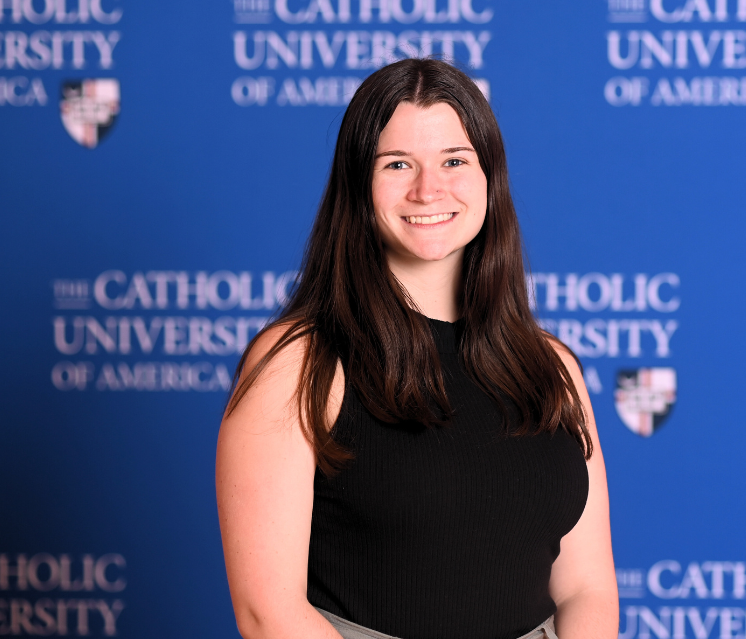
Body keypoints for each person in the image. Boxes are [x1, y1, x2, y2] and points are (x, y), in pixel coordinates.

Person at [216, 58, 617, 639]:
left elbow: (587, 588)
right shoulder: (300, 363)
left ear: (488, 178)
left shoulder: (552, 368)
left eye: (454, 161)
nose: (429, 189)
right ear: (358, 184)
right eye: (397, 164)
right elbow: (267, 613)